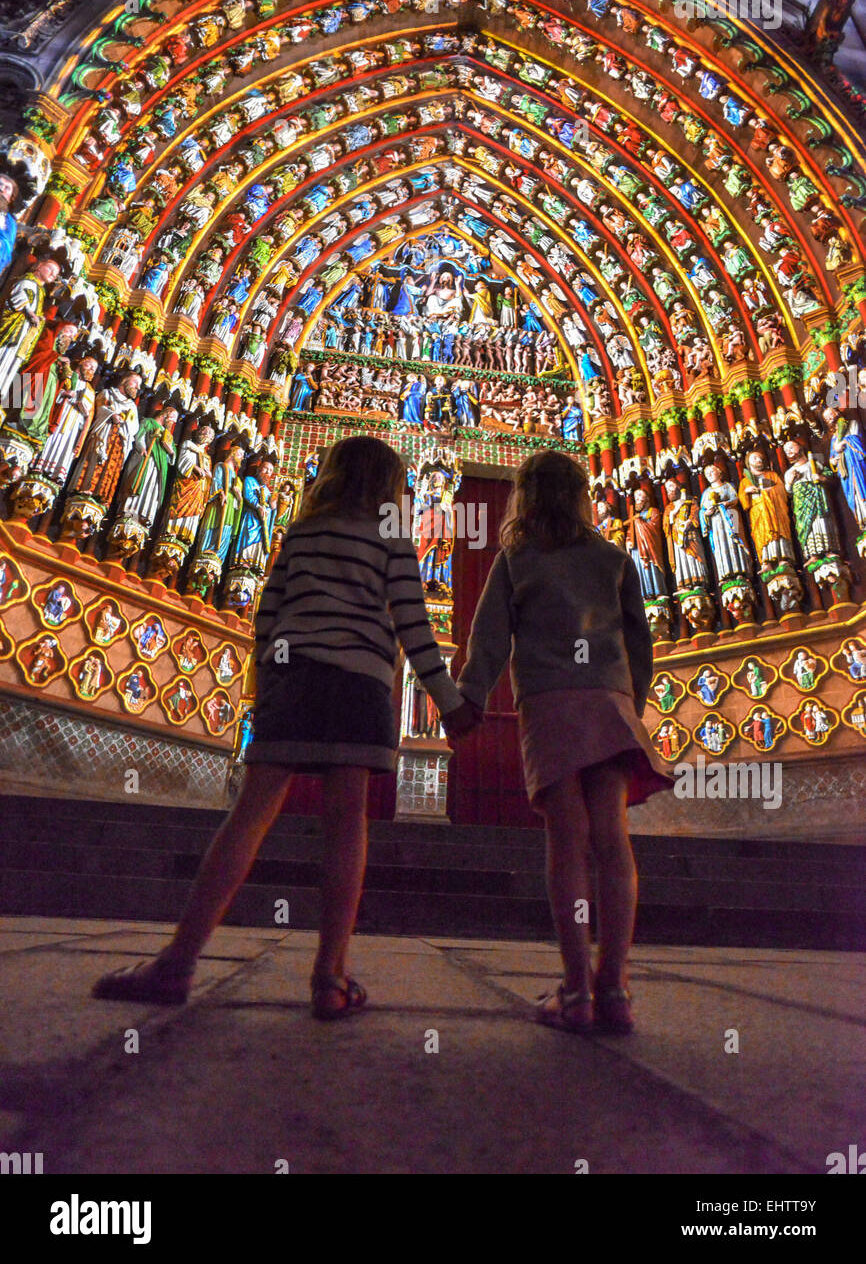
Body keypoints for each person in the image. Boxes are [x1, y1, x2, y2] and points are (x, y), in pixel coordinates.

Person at [92, 436, 477, 1016]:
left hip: (294, 679)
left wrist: (264, 683)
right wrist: (448, 699)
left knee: (248, 815)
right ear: (390, 488)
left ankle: (178, 962)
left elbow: (267, 616)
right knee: (347, 824)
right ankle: (330, 977)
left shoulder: (301, 533)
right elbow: (412, 620)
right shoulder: (392, 536)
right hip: (361, 687)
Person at [456, 452, 673, 1035]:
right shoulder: (613, 559)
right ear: (581, 497)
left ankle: (576, 991)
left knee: (566, 846)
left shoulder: (516, 560)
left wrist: (468, 702)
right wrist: (633, 702)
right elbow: (640, 640)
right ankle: (617, 988)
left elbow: (488, 644)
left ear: (523, 499)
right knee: (613, 842)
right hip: (607, 701)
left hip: (550, 707)